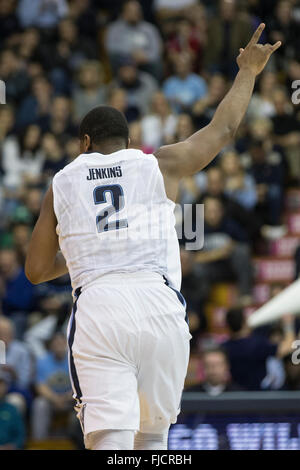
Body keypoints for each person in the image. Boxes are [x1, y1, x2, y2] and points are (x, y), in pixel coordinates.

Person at [25, 24, 281, 450]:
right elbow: (222, 131)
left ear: (84, 142)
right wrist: (248, 72)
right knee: (152, 445)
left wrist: (88, 247)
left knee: (110, 444)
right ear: (129, 143)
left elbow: (35, 272)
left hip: (101, 307)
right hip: (160, 308)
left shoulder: (62, 181)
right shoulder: (156, 164)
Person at [222, 308, 295, 390]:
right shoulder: (256, 344)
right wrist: (288, 325)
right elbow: (288, 347)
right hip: (258, 396)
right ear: (244, 322)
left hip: (235, 395)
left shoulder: (224, 347)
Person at [31, 332, 73, 440]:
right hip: (50, 401)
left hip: (71, 400)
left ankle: (78, 443)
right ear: (50, 346)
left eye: (61, 343)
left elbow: (81, 385)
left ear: (66, 344)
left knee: (84, 404)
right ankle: (39, 442)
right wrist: (55, 399)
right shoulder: (42, 361)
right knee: (39, 404)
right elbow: (40, 386)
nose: (59, 346)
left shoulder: (74, 360)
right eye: (56, 343)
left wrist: (65, 398)